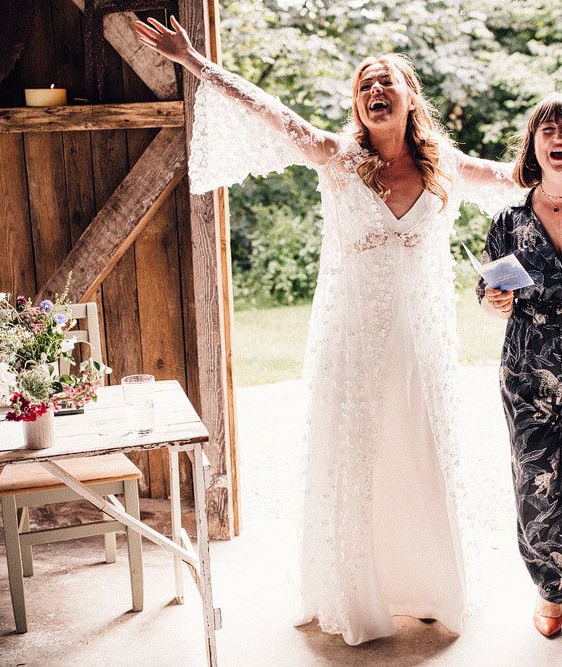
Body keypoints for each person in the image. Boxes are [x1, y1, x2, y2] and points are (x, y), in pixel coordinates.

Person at [135, 15, 519, 644]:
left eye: (385, 80)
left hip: (421, 342)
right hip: (355, 338)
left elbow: (517, 180)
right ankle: (357, 590)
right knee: (359, 456)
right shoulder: (336, 157)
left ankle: (424, 582)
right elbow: (265, 109)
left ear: (408, 96)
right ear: (357, 104)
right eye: (364, 83)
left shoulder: (442, 165)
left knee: (418, 451)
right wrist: (194, 61)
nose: (374, 89)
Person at [478, 93, 562, 638]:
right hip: (529, 373)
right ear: (533, 143)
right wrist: (494, 299)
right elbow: (486, 290)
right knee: (536, 484)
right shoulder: (509, 220)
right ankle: (552, 592)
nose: (559, 138)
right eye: (548, 129)